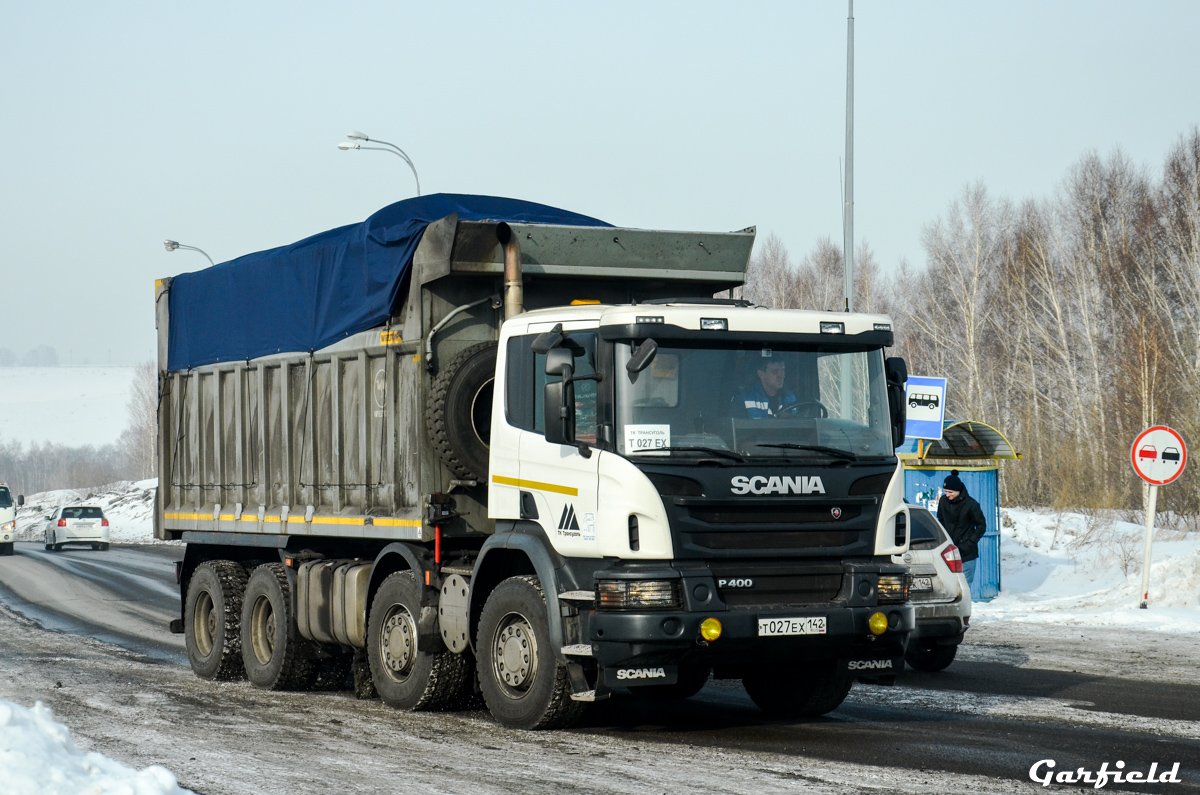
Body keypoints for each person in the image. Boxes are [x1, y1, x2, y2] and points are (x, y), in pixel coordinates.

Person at [936, 470, 987, 587]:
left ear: (958, 490)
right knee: (948, 586)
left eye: (950, 492)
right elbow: (941, 521)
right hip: (948, 551)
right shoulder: (943, 501)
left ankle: (965, 605)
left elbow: (981, 526)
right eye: (945, 491)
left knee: (964, 587)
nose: (947, 495)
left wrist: (969, 543)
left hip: (967, 554)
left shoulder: (971, 504)